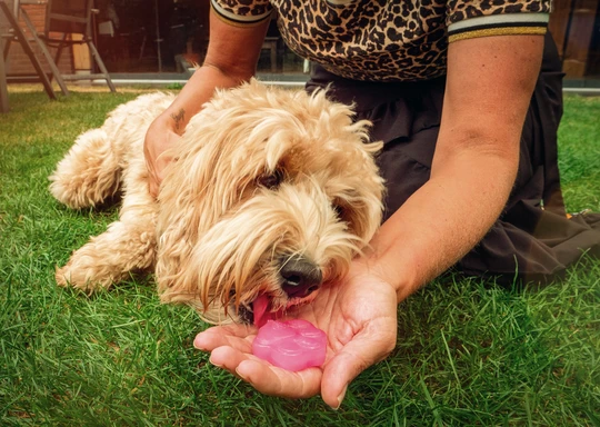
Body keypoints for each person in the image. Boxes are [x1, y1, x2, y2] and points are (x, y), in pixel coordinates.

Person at [144, 0, 600, 409]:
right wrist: (170, 128)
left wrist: (378, 269)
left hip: (475, 92)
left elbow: (479, 146)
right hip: (347, 86)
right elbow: (224, 68)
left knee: (400, 206)